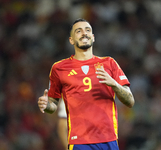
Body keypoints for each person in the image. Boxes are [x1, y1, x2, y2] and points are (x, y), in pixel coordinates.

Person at [38, 18, 135, 150]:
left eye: (87, 30)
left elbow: (130, 101)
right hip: (79, 141)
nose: (84, 33)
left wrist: (114, 84)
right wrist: (46, 104)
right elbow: (53, 105)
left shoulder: (109, 63)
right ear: (71, 40)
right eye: (79, 31)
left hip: (109, 139)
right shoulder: (59, 68)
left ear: (93, 37)